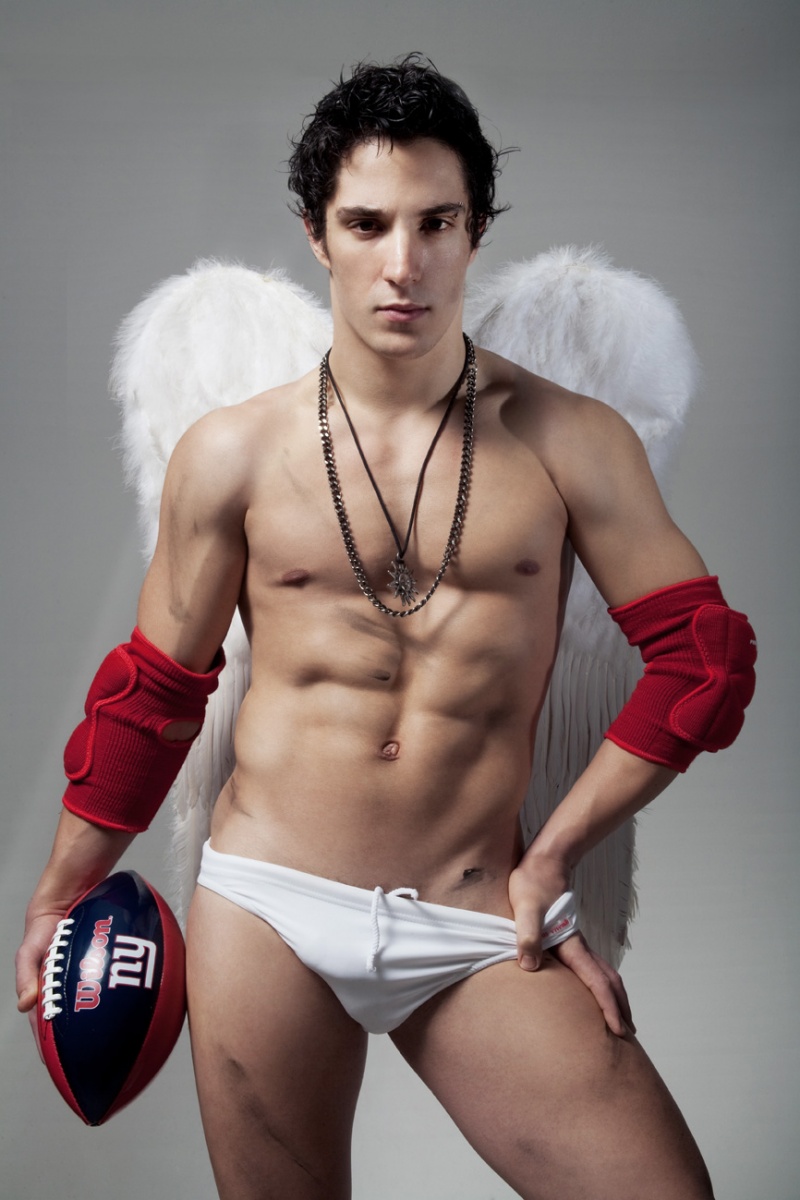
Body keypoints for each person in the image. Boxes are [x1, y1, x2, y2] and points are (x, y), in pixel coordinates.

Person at [16, 56, 755, 1199]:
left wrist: (552, 856)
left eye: (434, 223)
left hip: (474, 912)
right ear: (317, 236)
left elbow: (703, 662)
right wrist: (63, 892)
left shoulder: (569, 439)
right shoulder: (233, 452)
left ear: (474, 231)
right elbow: (153, 694)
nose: (401, 265)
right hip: (267, 906)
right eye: (366, 225)